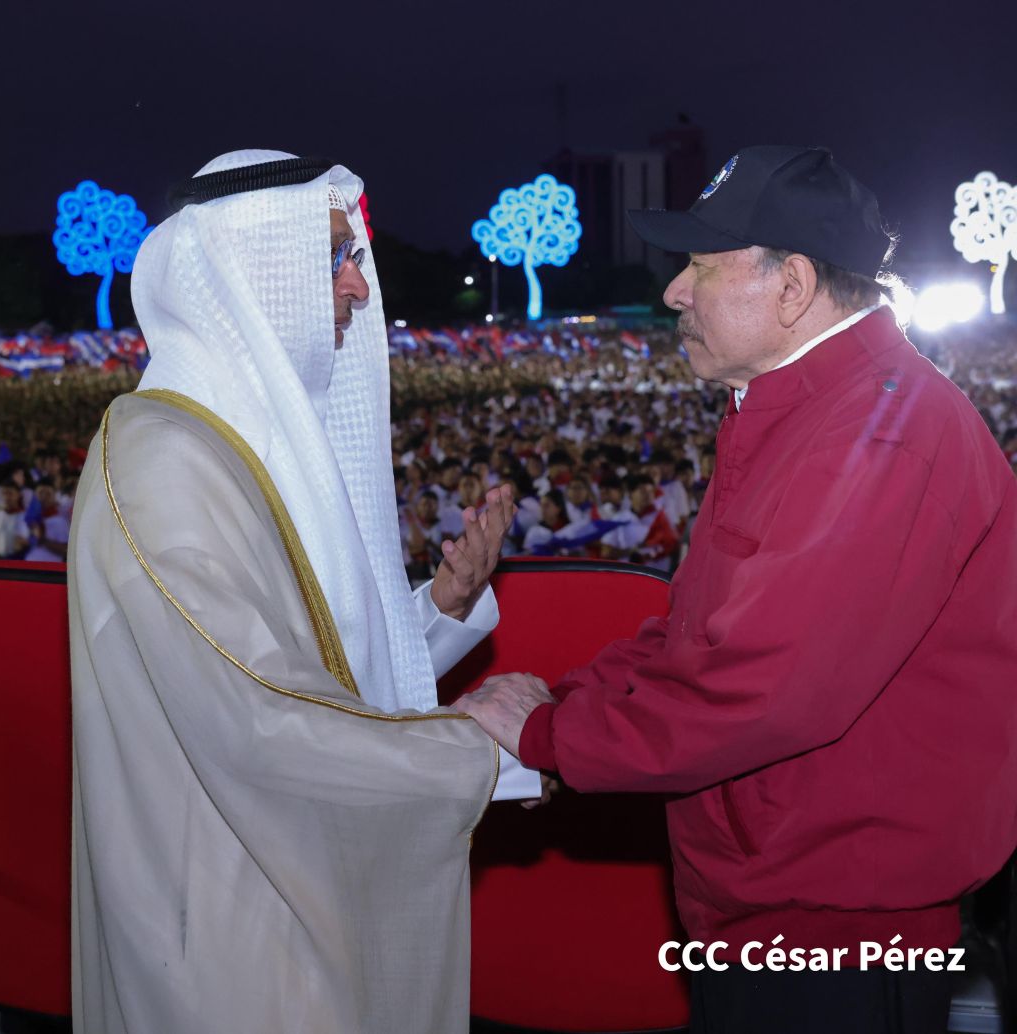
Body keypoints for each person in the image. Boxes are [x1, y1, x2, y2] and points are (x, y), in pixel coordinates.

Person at [453, 146, 1017, 1034]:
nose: (676, 292)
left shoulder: (878, 435)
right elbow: (698, 632)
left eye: (700, 267)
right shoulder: (803, 409)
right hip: (777, 894)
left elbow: (761, 685)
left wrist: (549, 731)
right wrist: (562, 705)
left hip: (833, 923)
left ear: (791, 286)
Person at [69, 150, 526, 1034]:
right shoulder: (164, 458)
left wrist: (440, 607)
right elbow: (256, 714)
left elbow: (308, 661)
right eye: (332, 259)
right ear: (247, 273)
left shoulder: (244, 445)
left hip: (294, 867)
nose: (358, 287)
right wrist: (481, 747)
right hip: (225, 915)